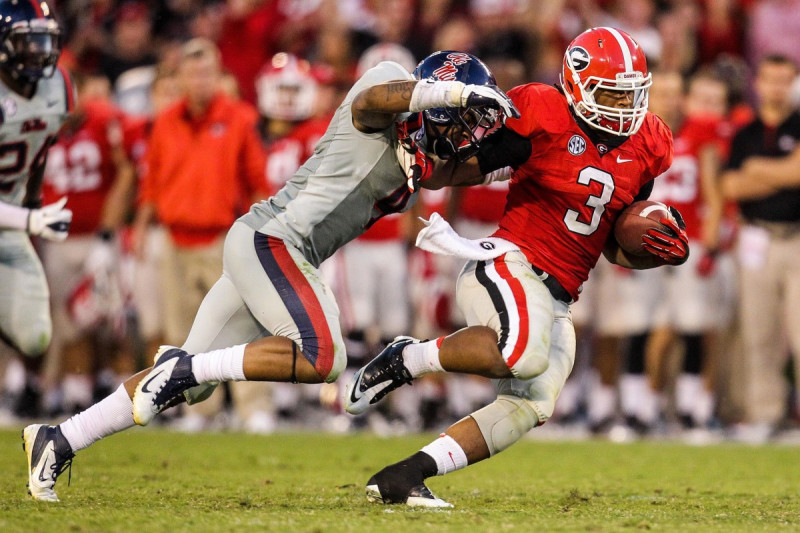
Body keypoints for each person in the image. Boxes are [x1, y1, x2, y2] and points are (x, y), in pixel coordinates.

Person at [22, 50, 519, 502]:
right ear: (436, 102)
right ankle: (185, 368)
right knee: (323, 355)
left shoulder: (420, 158)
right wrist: (452, 93)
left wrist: (533, 147)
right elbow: (376, 100)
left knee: (185, 387)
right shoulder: (387, 91)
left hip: (269, 249)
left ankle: (59, 438)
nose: (465, 137)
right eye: (462, 122)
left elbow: (479, 167)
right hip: (273, 240)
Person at [344, 27, 686, 507]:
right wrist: (423, 157)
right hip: (509, 263)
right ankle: (408, 358)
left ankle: (404, 476)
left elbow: (612, 244)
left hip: (560, 295)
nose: (623, 105)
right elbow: (464, 168)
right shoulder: (543, 112)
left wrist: (653, 247)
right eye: (611, 92)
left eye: (631, 94)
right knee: (523, 352)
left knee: (532, 403)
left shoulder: (649, 142)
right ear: (578, 83)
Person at [721, 54, 800, 444]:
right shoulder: (745, 132)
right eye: (770, 79)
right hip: (757, 238)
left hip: (797, 238)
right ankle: (765, 415)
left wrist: (755, 170)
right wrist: (782, 173)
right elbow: (730, 187)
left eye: (785, 80)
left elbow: (798, 173)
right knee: (759, 331)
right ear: (759, 82)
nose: (777, 87)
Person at [0, 0, 73, 416]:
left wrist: (30, 203)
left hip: (8, 223)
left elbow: (39, 148)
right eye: (27, 42)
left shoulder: (57, 88)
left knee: (35, 336)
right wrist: (31, 218)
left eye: (44, 40)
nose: (40, 52)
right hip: (16, 219)